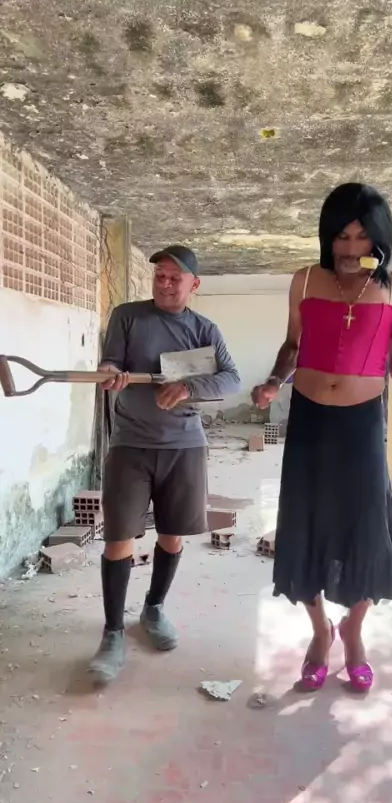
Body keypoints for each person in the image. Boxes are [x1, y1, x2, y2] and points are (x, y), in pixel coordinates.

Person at [252, 183, 392, 693]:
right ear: (327, 237)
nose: (351, 248)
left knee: (366, 526)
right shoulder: (306, 279)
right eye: (341, 236)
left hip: (362, 423)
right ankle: (320, 631)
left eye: (361, 236)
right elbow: (293, 344)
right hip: (310, 419)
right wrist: (274, 380)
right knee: (304, 520)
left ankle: (354, 630)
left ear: (379, 238)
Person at [89, 245, 241, 685]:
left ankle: (153, 609)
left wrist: (189, 387)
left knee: (172, 536)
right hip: (131, 443)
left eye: (176, 277)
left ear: (195, 284)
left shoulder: (204, 329)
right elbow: (111, 360)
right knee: (118, 538)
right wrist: (110, 372)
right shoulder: (128, 316)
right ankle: (113, 633)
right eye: (160, 275)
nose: (166, 283)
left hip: (184, 445)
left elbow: (231, 378)